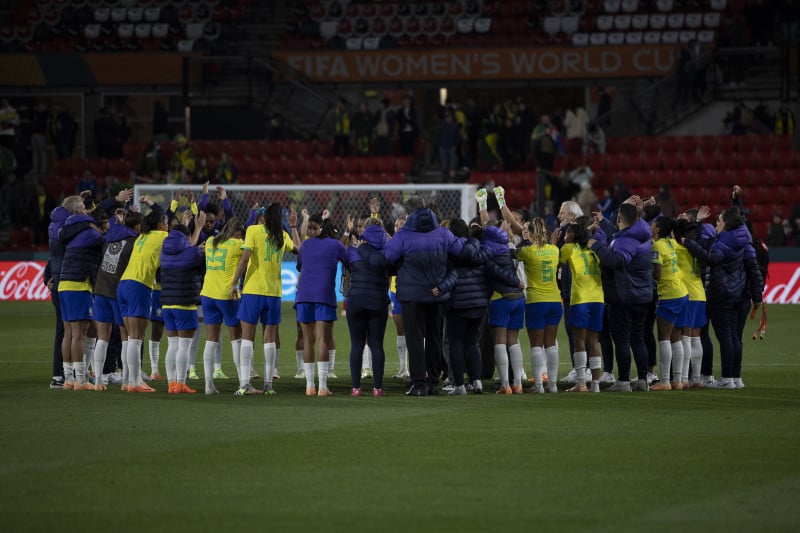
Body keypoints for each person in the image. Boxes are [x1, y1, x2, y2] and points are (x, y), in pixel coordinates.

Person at [370, 196, 470, 396]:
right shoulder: (442, 233)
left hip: (411, 296)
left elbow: (385, 258)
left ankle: (419, 383)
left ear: (409, 214)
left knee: (415, 339)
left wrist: (365, 253)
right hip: (436, 295)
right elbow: (463, 251)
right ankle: (433, 382)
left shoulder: (404, 235)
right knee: (433, 337)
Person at [683, 207, 764, 389]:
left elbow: (710, 258)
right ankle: (735, 377)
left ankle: (726, 378)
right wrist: (757, 296)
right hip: (741, 296)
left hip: (722, 294)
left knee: (725, 337)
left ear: (727, 223)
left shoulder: (723, 243)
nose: (717, 224)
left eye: (719, 221)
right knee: (736, 337)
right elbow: (754, 270)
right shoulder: (745, 241)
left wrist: (689, 244)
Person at [230, 203, 300, 396]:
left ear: (264, 217)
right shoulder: (282, 235)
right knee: (269, 339)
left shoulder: (253, 230)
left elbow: (245, 258)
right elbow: (300, 250)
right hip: (274, 293)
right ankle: (268, 385)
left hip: (253, 290)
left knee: (247, 337)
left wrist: (234, 282)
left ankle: (244, 384)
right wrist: (293, 226)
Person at [588, 202, 653, 392]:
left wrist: (597, 247)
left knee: (622, 339)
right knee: (637, 337)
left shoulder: (627, 239)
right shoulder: (641, 233)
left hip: (625, 295)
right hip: (642, 294)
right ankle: (642, 379)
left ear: (618, 219)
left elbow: (618, 260)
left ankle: (624, 382)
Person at [295, 215, 348, 396]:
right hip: (324, 295)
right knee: (323, 340)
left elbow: (300, 266)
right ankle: (323, 387)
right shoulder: (336, 245)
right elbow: (350, 261)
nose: (310, 231)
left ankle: (310, 386)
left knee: (308, 340)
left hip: (303, 295)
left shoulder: (306, 245)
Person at [118, 208, 169, 392]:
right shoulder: (162, 236)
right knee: (136, 338)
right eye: (166, 222)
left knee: (129, 338)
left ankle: (128, 381)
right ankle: (135, 382)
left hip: (123, 285)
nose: (168, 226)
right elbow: (183, 249)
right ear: (161, 224)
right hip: (139, 286)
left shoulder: (141, 236)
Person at [91, 207, 143, 390]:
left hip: (100, 289)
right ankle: (127, 381)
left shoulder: (110, 236)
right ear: (137, 227)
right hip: (118, 293)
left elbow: (114, 225)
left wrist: (118, 218)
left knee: (102, 338)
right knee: (126, 337)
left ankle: (98, 381)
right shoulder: (134, 242)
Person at [58, 195, 105, 391]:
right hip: (79, 285)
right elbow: (105, 240)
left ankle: (69, 378)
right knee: (79, 334)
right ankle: (81, 380)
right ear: (80, 211)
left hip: (64, 284)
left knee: (69, 333)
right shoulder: (88, 232)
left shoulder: (69, 230)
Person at [160, 210, 206, 394]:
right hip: (184, 305)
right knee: (184, 347)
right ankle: (181, 383)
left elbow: (185, 246)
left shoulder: (165, 253)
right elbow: (198, 260)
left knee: (172, 345)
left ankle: (171, 384)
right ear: (186, 238)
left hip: (167, 304)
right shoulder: (192, 253)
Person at [558, 216, 604, 393]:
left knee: (579, 342)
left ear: (572, 235)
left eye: (568, 232)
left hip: (580, 300)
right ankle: (596, 385)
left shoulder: (568, 248)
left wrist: (559, 241)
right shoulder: (594, 250)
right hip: (598, 299)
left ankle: (581, 383)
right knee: (593, 342)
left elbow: (557, 260)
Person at [346, 217, 391, 396]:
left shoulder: (354, 249)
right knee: (377, 345)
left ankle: (356, 388)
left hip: (356, 299)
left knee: (356, 344)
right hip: (378, 301)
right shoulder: (387, 249)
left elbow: (347, 264)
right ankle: (377, 388)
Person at [518, 218, 563, 393]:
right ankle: (552, 384)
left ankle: (538, 385)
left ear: (530, 233)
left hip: (536, 301)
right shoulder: (554, 250)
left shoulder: (527, 252)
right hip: (554, 300)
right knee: (550, 343)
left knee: (536, 344)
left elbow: (513, 255)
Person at [200, 217, 245, 395]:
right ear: (237, 233)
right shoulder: (237, 243)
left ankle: (208, 384)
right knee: (237, 338)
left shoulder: (211, 241)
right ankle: (243, 382)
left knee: (211, 339)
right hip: (227, 295)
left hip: (207, 294)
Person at [649, 217, 689, 391]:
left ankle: (665, 381)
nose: (650, 226)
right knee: (676, 337)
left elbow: (657, 274)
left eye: (653, 225)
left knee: (663, 337)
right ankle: (678, 381)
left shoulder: (657, 246)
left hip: (669, 294)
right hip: (682, 292)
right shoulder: (671, 243)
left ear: (657, 230)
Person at [673, 218, 707, 389]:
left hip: (688, 295)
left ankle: (684, 379)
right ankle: (696, 379)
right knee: (695, 337)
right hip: (700, 294)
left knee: (685, 337)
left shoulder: (676, 248)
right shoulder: (694, 246)